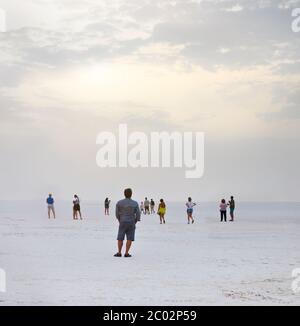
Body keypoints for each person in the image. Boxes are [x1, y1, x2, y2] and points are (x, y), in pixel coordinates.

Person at [115, 188, 141, 258]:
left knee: (120, 237)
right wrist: (135, 221)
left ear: (124, 194)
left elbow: (117, 214)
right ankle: (126, 253)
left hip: (122, 221)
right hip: (131, 221)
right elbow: (138, 214)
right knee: (129, 238)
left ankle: (119, 252)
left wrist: (120, 220)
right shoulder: (135, 203)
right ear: (131, 194)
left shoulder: (119, 202)